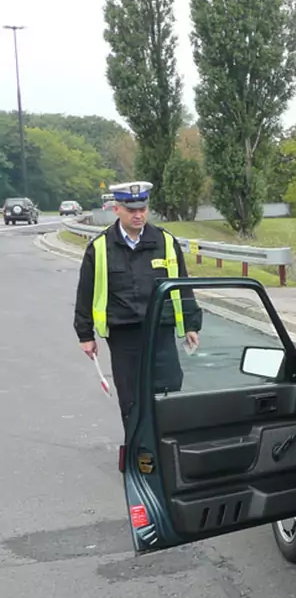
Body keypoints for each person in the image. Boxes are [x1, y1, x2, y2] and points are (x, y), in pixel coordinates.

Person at [74, 180, 203, 429]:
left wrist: (190, 324)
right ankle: (138, 456)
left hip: (160, 331)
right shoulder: (100, 247)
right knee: (132, 399)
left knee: (169, 392)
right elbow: (85, 293)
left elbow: (183, 285)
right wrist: (85, 334)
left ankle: (166, 451)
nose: (138, 215)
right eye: (131, 210)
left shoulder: (165, 242)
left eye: (142, 209)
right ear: (116, 209)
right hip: (124, 335)